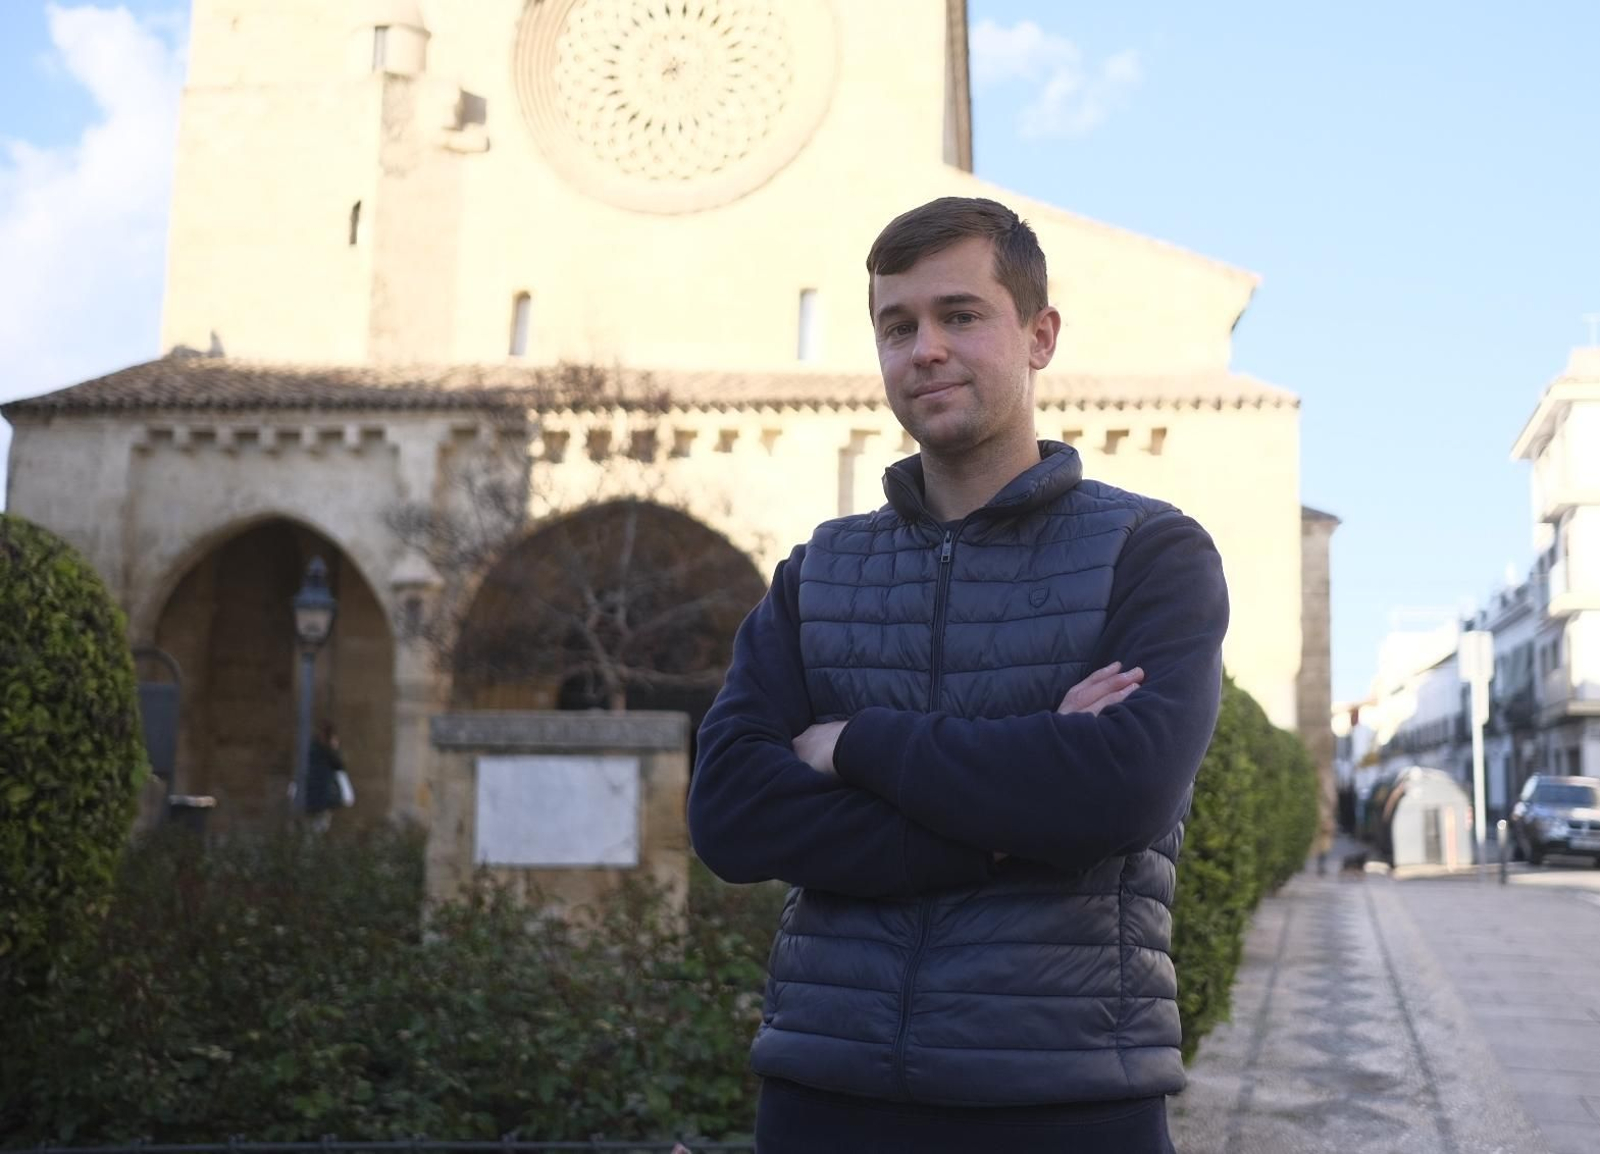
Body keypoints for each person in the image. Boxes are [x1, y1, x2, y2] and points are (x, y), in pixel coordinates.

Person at [687, 196, 1229, 1152]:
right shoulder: (819, 572)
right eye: (898, 327)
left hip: (1065, 1099)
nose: (924, 348)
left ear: (1039, 335)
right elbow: (731, 816)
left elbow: (1119, 793)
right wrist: (1020, 819)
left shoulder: (1152, 553)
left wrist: (854, 743)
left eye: (959, 315)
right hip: (825, 1091)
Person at [303, 721, 347, 832]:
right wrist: (334, 749)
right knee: (319, 824)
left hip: (316, 793)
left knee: (316, 823)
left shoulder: (314, 748)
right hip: (322, 794)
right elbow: (339, 765)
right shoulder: (324, 751)